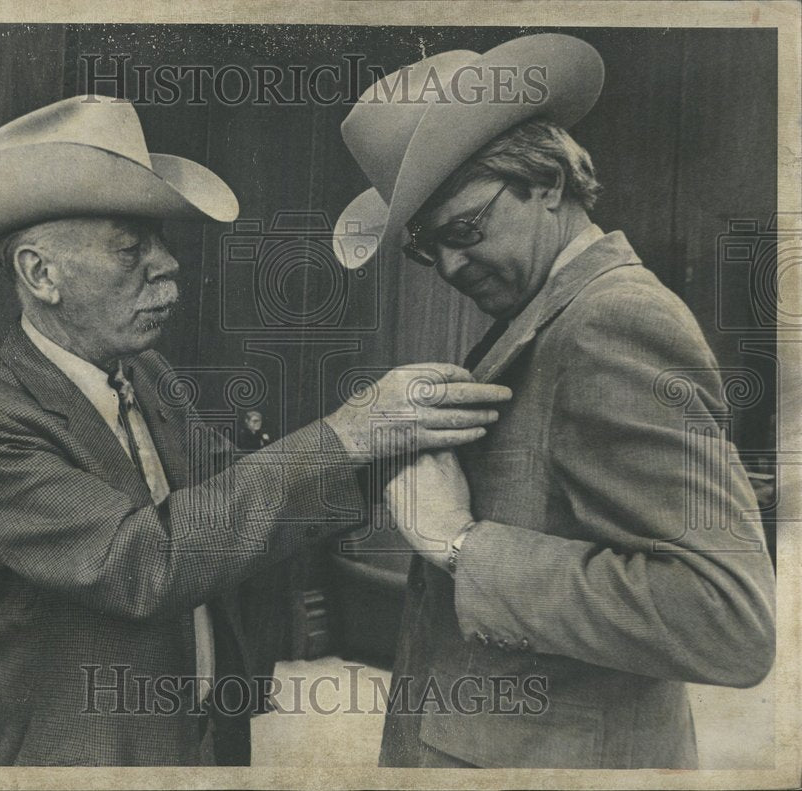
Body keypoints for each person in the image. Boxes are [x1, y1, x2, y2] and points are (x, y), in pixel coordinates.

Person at [0, 95, 511, 766]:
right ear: (40, 273)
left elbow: (230, 503)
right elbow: (140, 562)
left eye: (161, 241)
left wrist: (395, 443)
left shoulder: (147, 371)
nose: (167, 264)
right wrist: (349, 433)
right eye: (129, 248)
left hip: (204, 737)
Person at [332, 34, 776, 769]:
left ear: (548, 183)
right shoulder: (546, 311)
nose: (447, 266)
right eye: (425, 248)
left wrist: (461, 544)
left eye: (465, 231)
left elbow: (727, 617)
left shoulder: (613, 323)